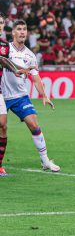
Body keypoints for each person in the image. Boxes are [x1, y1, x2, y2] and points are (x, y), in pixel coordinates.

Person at [1, 20, 60, 172]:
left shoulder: (30, 55)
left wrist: (44, 95)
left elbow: (36, 78)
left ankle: (45, 161)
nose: (22, 32)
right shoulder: (5, 48)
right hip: (2, 95)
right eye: (19, 29)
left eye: (24, 29)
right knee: (2, 127)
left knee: (34, 124)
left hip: (20, 96)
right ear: (13, 32)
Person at [0, 14, 34, 176]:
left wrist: (17, 69)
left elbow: (3, 61)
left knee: (3, 124)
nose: (0, 25)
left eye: (1, 23)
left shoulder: (3, 45)